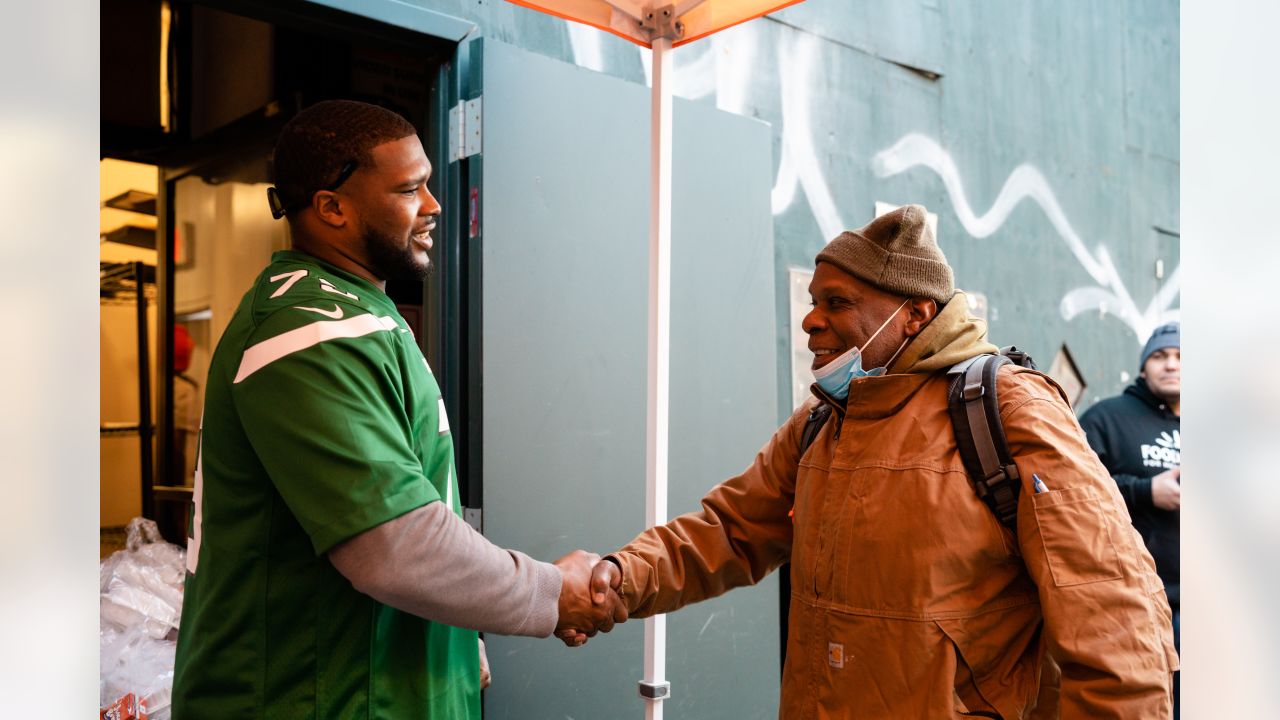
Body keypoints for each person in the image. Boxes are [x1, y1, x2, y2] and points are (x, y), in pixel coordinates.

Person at [583, 205, 1177, 718]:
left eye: (837, 302)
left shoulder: (1007, 407)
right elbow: (729, 531)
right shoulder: (822, 420)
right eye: (814, 301)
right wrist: (617, 580)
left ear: (915, 314)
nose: (811, 319)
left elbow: (1117, 625)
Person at [172, 100, 624, 719]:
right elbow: (395, 543)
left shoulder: (355, 311)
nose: (435, 205)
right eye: (410, 189)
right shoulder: (306, 330)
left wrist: (463, 624)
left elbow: (413, 500)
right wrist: (549, 593)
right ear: (332, 208)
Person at [1079, 321, 1181, 717]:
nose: (1171, 365)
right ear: (1143, 367)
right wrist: (1145, 491)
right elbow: (1073, 493)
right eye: (1160, 356)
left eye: (1181, 357)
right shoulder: (1107, 418)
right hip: (1135, 601)